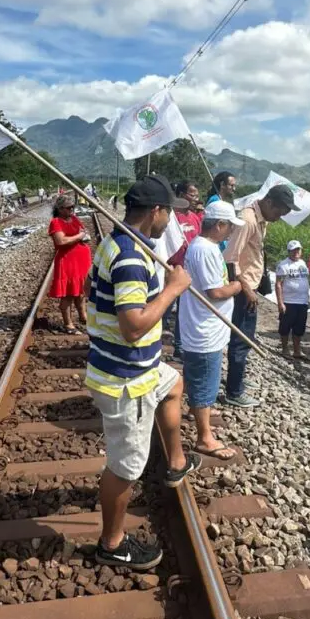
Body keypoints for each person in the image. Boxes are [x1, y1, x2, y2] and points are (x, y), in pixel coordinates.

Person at [86, 174, 200, 571]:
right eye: (170, 211)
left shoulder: (123, 244)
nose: (172, 218)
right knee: (125, 467)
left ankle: (176, 460)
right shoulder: (132, 258)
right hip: (125, 379)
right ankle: (112, 543)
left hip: (143, 368)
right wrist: (174, 289)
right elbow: (133, 326)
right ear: (156, 211)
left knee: (174, 382)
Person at [179, 200, 246, 460]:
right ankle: (205, 437)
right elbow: (215, 292)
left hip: (203, 325)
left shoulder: (204, 247)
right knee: (206, 381)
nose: (230, 232)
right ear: (219, 224)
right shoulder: (205, 249)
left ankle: (189, 409)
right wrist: (237, 286)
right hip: (204, 330)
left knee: (197, 376)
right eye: (229, 227)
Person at [224, 184, 301, 407]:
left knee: (245, 338)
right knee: (241, 339)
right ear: (268, 203)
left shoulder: (261, 219)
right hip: (242, 290)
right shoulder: (247, 220)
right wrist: (247, 290)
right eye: (279, 212)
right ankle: (234, 391)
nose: (280, 217)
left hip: (250, 286)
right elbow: (230, 259)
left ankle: (237, 380)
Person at [49, 195, 93, 334]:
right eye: (68, 208)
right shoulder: (56, 222)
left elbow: (83, 231)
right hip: (68, 261)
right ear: (60, 209)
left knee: (80, 292)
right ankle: (68, 324)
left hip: (81, 261)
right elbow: (61, 241)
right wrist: (79, 237)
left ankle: (83, 316)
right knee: (68, 294)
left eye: (72, 207)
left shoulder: (74, 219)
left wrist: (84, 236)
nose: (72, 210)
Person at [169, 181, 203, 358]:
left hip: (189, 273)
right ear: (182, 195)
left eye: (196, 195)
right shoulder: (172, 218)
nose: (195, 198)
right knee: (165, 307)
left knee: (184, 311)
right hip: (172, 271)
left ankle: (179, 347)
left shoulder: (195, 217)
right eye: (192, 194)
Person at [275, 239, 310, 360]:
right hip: (289, 301)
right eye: (293, 250)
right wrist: (280, 302)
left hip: (302, 301)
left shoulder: (302, 263)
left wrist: (308, 297)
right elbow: (278, 284)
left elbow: (305, 280)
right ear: (289, 251)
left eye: (297, 250)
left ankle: (297, 350)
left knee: (299, 327)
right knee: (285, 327)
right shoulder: (283, 265)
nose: (296, 252)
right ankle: (285, 349)